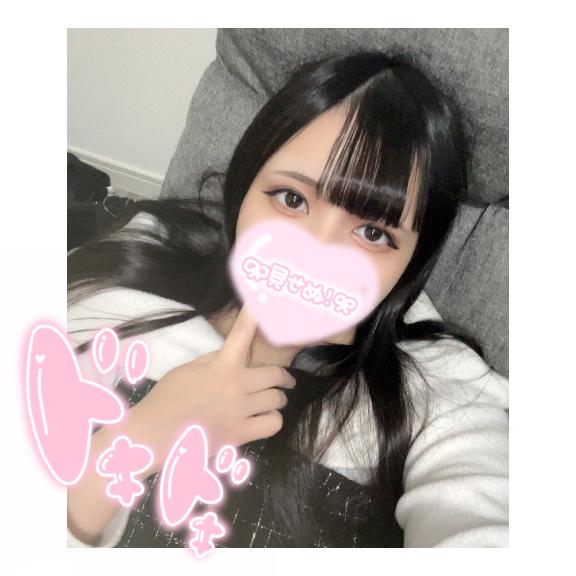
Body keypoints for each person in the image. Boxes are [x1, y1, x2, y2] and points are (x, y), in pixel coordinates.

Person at [66, 50, 509, 548]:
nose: (314, 255)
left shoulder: (438, 395)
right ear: (246, 183)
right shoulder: (131, 267)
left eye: (372, 232)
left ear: (411, 261)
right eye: (292, 199)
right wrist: (138, 440)